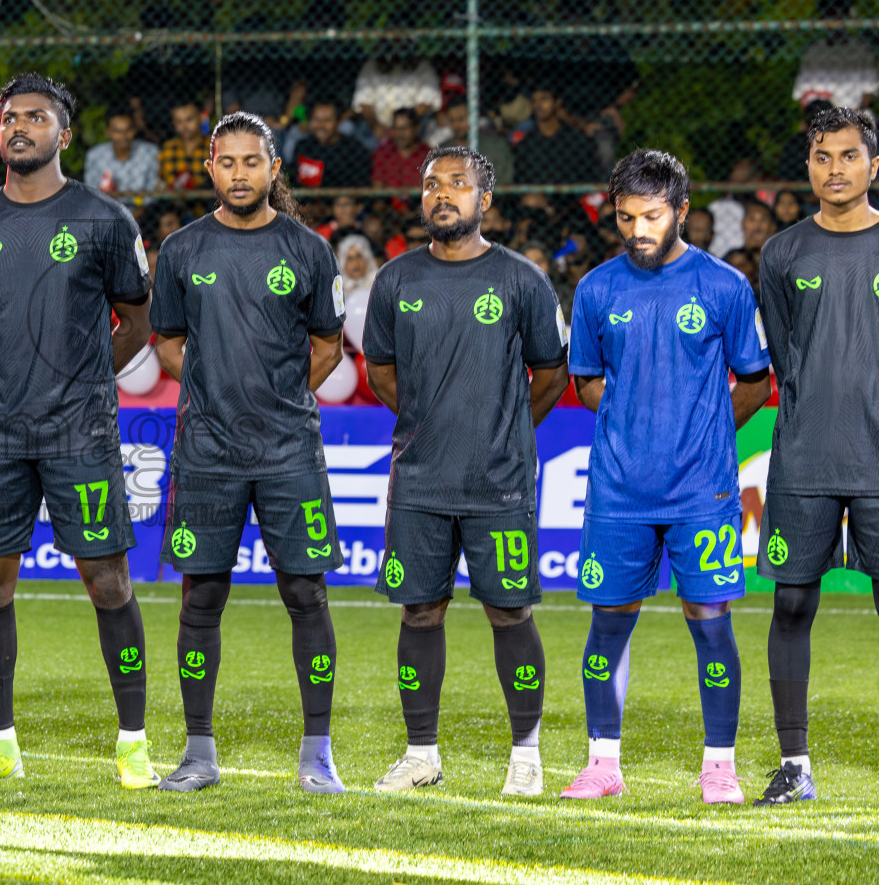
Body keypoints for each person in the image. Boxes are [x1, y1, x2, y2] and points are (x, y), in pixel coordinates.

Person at [0, 73, 157, 788]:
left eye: (36, 117)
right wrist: (5, 368)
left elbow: (140, 317)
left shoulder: (104, 220)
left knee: (108, 583)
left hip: (80, 431)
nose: (19, 128)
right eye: (9, 119)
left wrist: (89, 375)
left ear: (64, 134)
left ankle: (133, 743)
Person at [559, 150, 771, 805]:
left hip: (701, 492)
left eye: (651, 216)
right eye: (625, 218)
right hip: (618, 491)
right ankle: (602, 763)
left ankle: (719, 767)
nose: (637, 230)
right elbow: (587, 381)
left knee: (710, 620)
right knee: (608, 623)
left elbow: (756, 382)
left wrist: (703, 433)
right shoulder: (596, 289)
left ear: (681, 211)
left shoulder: (725, 287)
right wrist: (631, 417)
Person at [150, 112, 348, 794]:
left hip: (289, 447)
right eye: (226, 162)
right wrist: (213, 391)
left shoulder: (308, 250)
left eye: (251, 162)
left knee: (306, 593)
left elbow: (326, 346)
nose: (239, 174)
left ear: (273, 168)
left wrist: (278, 397)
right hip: (208, 450)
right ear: (210, 169)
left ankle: (317, 752)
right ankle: (198, 753)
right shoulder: (182, 250)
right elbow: (167, 341)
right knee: (201, 597)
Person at [363, 146, 569, 797]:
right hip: (420, 482)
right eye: (431, 184)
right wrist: (431, 422)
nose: (441, 194)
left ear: (487, 201)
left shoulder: (522, 279)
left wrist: (504, 429)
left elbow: (551, 373)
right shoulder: (395, 279)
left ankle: (526, 757)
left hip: (498, 482)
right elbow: (381, 372)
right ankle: (421, 754)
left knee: (510, 614)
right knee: (419, 615)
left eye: (458, 184)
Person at [754, 107, 879, 805]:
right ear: (809, 168)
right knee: (793, 602)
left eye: (849, 156)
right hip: (804, 456)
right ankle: (795, 764)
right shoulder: (781, 254)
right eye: (822, 157)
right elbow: (783, 354)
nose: (835, 169)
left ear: (873, 166)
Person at [292, 101, 374, 190]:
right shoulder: (304, 147)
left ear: (338, 122)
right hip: (307, 202)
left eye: (327, 120)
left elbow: (361, 186)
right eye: (316, 119)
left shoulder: (354, 150)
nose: (321, 125)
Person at [83, 105, 159, 195]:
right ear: (108, 132)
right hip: (105, 207)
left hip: (143, 207)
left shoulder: (150, 152)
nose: (123, 136)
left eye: (128, 130)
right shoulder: (95, 156)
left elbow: (154, 191)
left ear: (135, 130)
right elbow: (90, 192)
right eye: (117, 131)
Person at [370, 107, 431, 190]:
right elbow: (377, 189)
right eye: (396, 128)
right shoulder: (382, 154)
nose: (400, 134)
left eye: (405, 128)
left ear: (416, 128)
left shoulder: (427, 155)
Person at [159, 100, 210, 191]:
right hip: (173, 203)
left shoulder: (212, 146)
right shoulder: (167, 148)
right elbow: (162, 182)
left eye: (189, 119)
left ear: (200, 118)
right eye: (179, 121)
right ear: (173, 123)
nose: (184, 126)